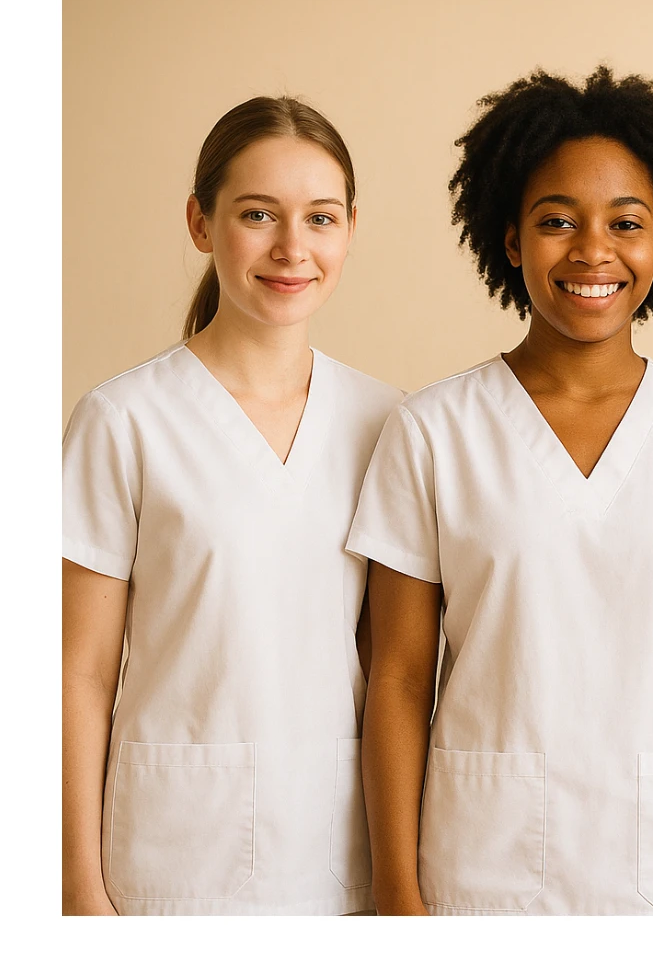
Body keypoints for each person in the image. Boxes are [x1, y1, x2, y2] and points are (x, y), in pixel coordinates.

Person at [349, 66, 653, 916]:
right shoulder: (433, 430)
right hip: (483, 868)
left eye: (625, 223)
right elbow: (399, 679)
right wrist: (395, 894)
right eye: (557, 221)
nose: (593, 251)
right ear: (512, 239)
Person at [62, 96, 401, 915]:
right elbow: (76, 673)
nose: (292, 247)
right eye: (258, 213)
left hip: (332, 857)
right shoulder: (125, 419)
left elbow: (394, 670)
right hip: (168, 862)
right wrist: (77, 889)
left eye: (320, 218)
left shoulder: (387, 422)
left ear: (351, 228)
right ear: (200, 223)